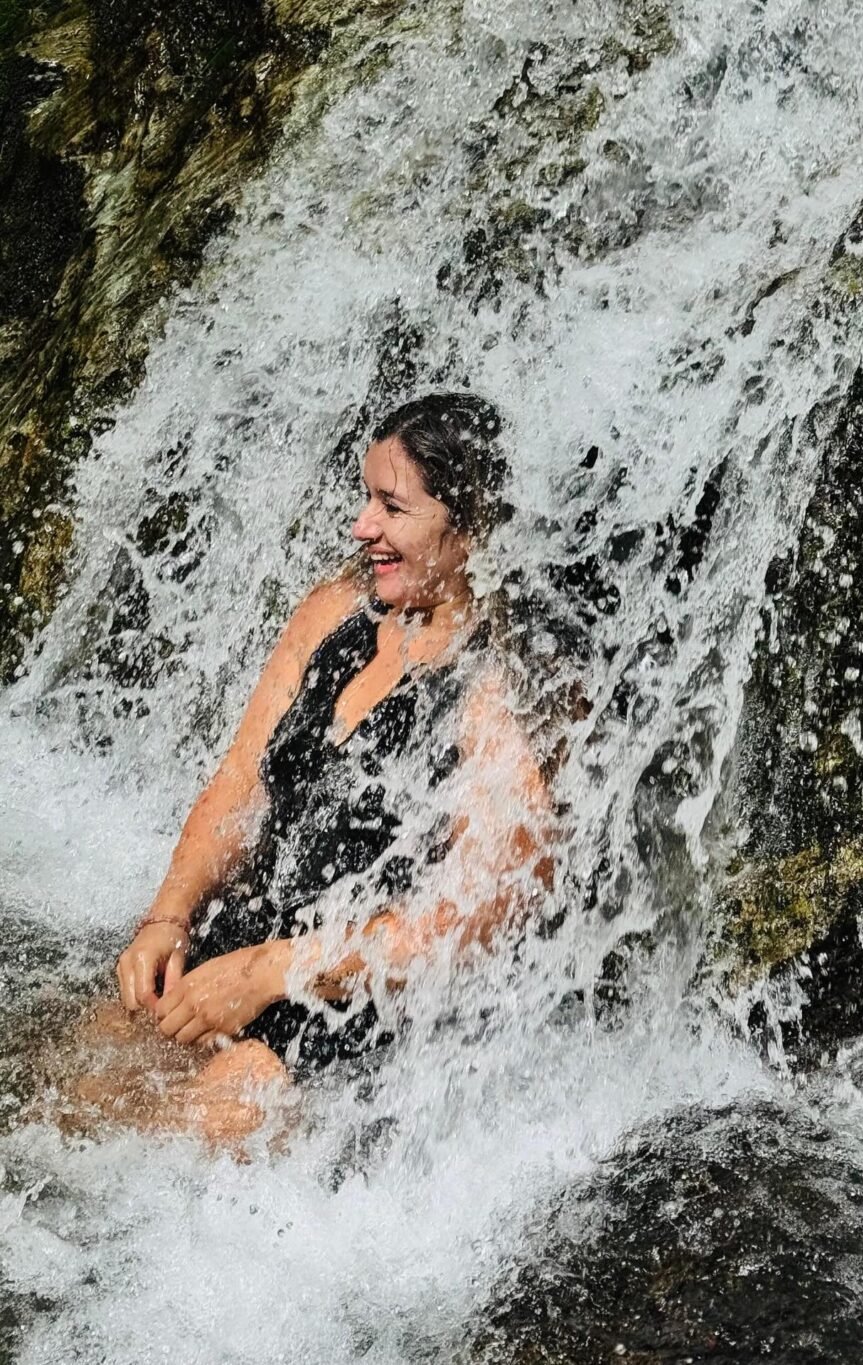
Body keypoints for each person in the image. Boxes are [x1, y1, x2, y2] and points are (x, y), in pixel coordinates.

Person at [79, 392, 556, 1145]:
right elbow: (238, 786)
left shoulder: (503, 690)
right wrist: (168, 917)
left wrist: (268, 974)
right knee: (95, 1059)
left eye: (392, 507)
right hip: (250, 943)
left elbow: (467, 926)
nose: (363, 526)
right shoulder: (335, 611)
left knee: (231, 1106)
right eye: (367, 498)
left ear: (467, 527)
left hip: (361, 1003)